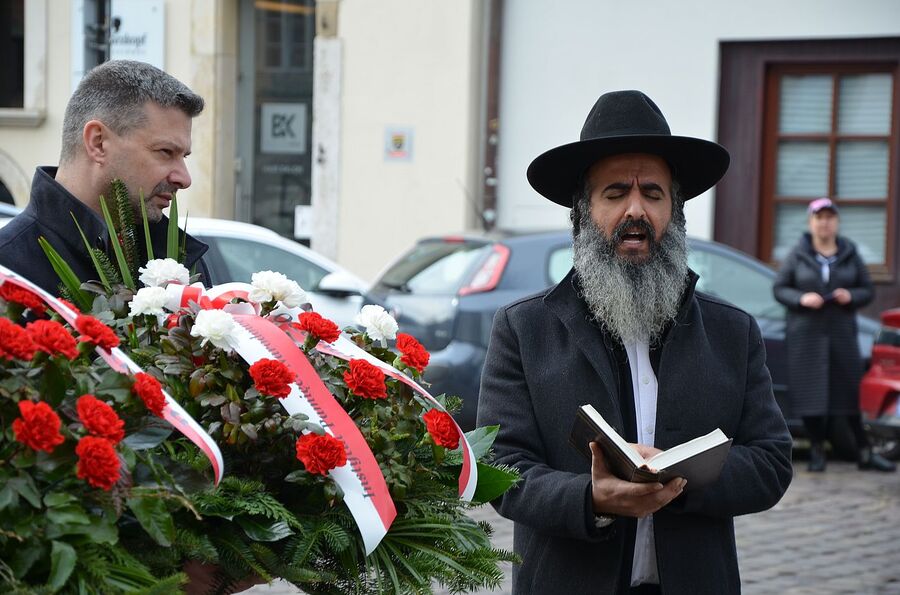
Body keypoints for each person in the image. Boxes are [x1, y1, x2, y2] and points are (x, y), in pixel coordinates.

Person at [476, 90, 793, 594]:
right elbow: (501, 468)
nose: (636, 211)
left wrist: (679, 480)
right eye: (615, 192)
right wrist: (591, 498)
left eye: (653, 193)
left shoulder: (733, 332)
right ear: (582, 213)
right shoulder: (524, 329)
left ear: (676, 210)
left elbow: (772, 463)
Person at [0, 60, 211, 295]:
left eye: (184, 156)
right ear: (98, 143)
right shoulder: (8, 271)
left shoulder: (180, 262)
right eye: (165, 152)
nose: (184, 178)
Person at [773, 198, 895, 473]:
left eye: (829, 217)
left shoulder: (849, 252)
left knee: (849, 392)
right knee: (811, 395)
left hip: (841, 335)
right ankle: (817, 451)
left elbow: (867, 289)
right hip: (807, 336)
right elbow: (780, 289)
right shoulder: (798, 254)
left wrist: (850, 295)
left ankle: (865, 452)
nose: (824, 222)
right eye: (819, 217)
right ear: (811, 222)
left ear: (836, 223)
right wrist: (802, 297)